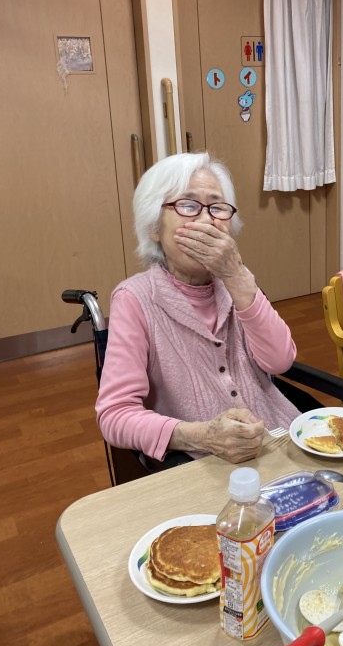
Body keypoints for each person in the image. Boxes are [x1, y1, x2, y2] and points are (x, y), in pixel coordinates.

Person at [96, 152, 299, 466]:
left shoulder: (238, 280)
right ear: (153, 227)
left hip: (281, 440)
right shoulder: (134, 298)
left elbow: (280, 361)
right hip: (204, 464)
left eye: (217, 207)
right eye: (188, 206)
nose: (207, 221)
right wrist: (203, 435)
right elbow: (115, 415)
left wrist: (237, 277)